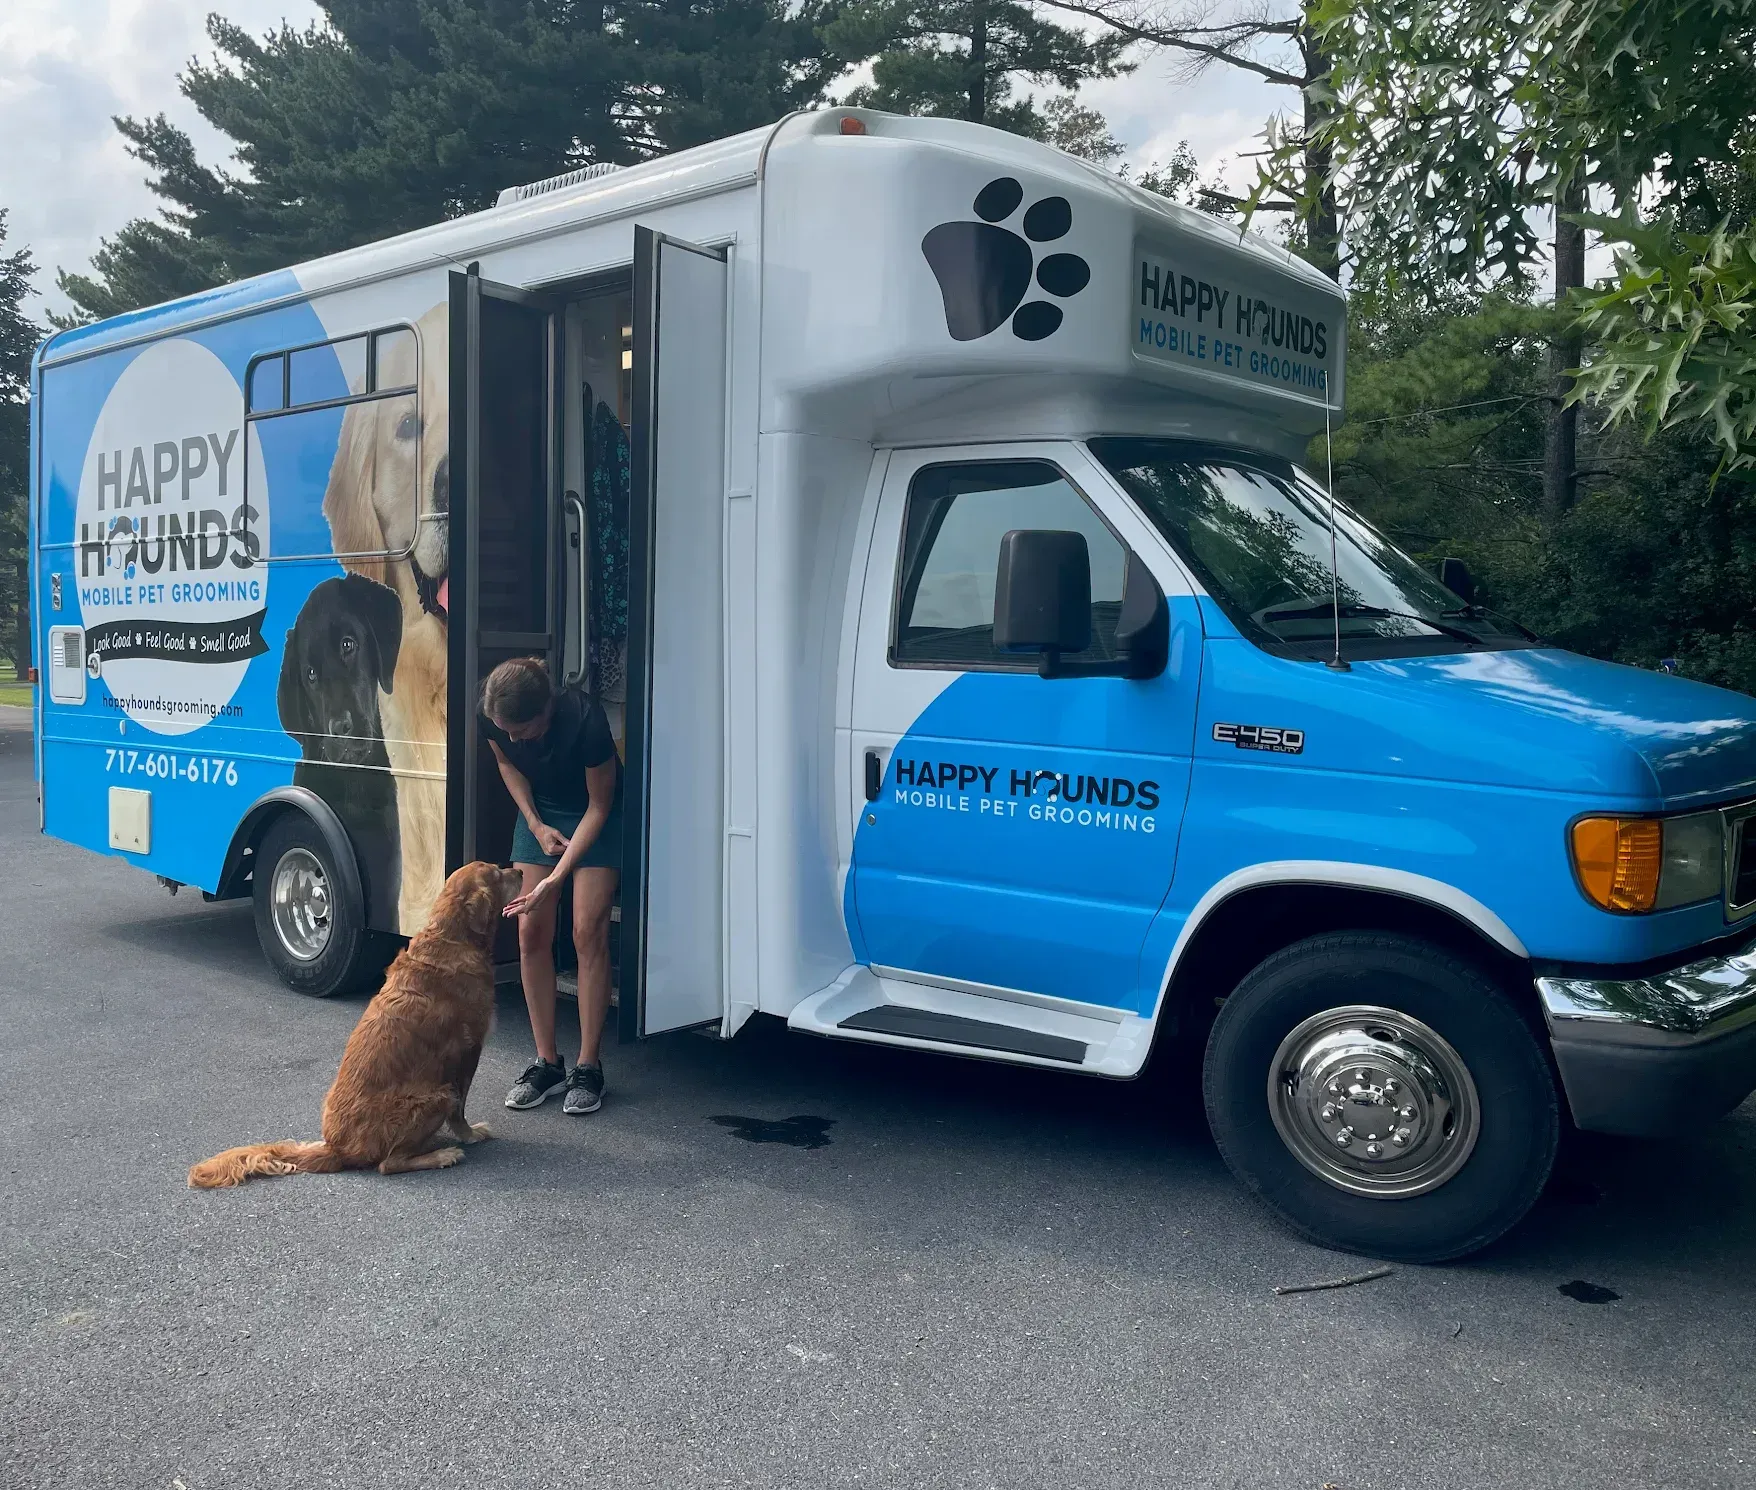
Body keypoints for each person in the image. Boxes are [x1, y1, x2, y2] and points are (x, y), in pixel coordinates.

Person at [479, 656, 622, 1115]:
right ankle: (547, 1062)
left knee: (587, 931)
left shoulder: (585, 721)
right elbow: (508, 766)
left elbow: (600, 806)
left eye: (522, 732)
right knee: (531, 932)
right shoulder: (493, 711)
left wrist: (556, 878)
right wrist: (536, 826)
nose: (513, 738)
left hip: (595, 815)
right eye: (506, 731)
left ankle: (588, 1066)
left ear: (545, 712)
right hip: (541, 813)